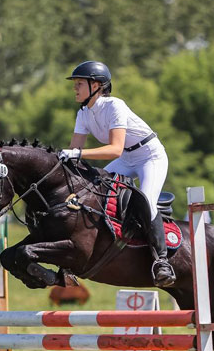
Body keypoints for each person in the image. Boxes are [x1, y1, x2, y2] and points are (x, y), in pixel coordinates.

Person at [58, 60, 175, 287]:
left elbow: (114, 148)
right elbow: (74, 152)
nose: (75, 88)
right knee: (91, 187)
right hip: (126, 159)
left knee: (146, 200)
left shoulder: (114, 106)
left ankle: (161, 261)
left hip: (150, 155)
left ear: (97, 85)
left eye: (79, 83)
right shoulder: (83, 114)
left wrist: (76, 153)